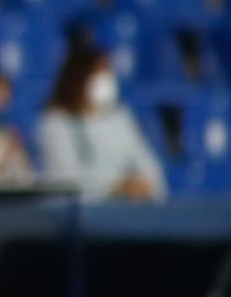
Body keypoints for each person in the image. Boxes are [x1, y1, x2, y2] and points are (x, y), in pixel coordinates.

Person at [36, 45, 167, 200]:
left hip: (127, 214)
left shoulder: (121, 119)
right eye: (99, 73)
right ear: (79, 78)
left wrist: (144, 185)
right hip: (80, 217)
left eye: (108, 73)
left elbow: (149, 167)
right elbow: (66, 179)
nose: (107, 80)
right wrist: (116, 186)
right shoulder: (55, 124)